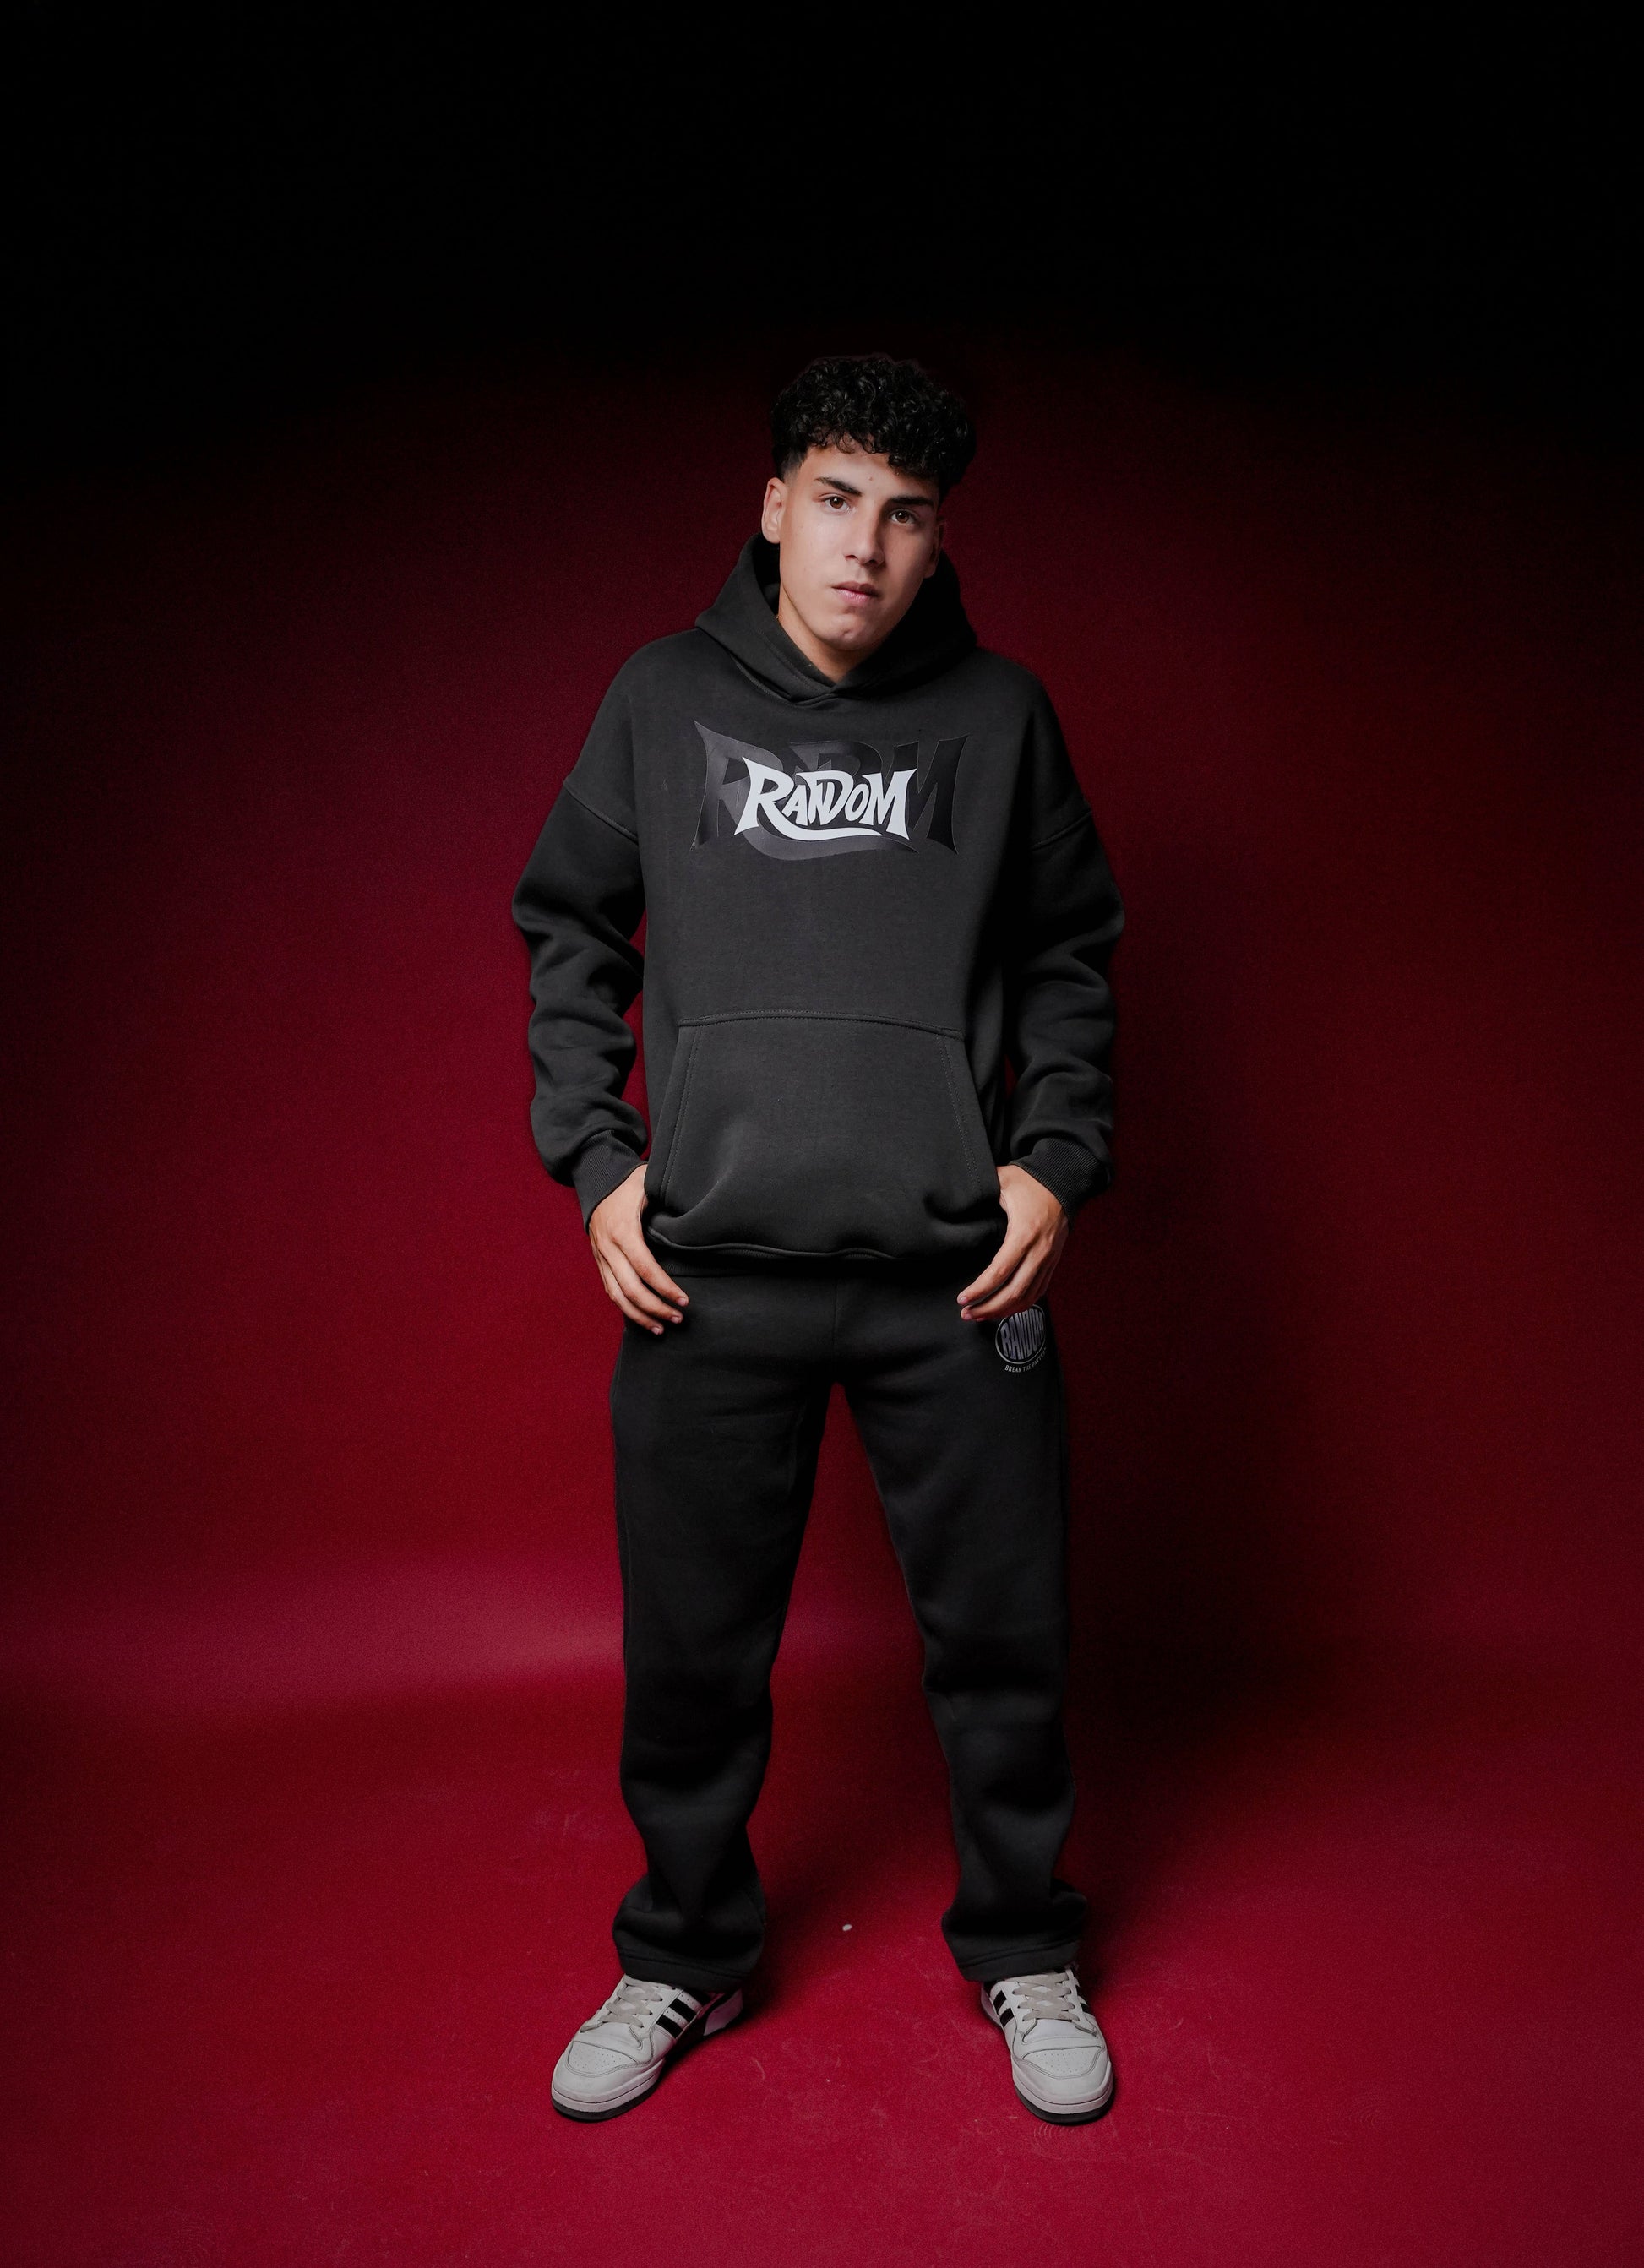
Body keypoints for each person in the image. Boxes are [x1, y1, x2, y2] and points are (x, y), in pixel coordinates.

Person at [512, 353, 1125, 2125]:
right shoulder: (659, 697)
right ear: (775, 502)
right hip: (708, 1275)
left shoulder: (1002, 717)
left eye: (906, 516)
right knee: (690, 1653)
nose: (865, 547)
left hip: (956, 1275)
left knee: (1003, 1641)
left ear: (938, 540)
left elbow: (1072, 950)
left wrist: (1051, 1159)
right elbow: (567, 927)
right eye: (837, 499)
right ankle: (682, 1950)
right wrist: (598, 1160)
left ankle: (1022, 1942)